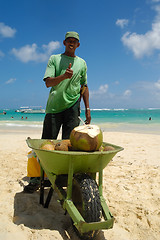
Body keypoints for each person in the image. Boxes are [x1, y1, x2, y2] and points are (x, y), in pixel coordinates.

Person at [24, 31, 91, 193]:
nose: (71, 43)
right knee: (45, 145)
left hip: (73, 108)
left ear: (78, 45)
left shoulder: (82, 63)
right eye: (69, 40)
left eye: (74, 41)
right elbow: (48, 83)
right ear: (64, 42)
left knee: (68, 146)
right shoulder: (54, 59)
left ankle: (63, 177)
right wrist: (63, 77)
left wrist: (88, 109)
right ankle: (36, 179)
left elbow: (84, 87)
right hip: (54, 107)